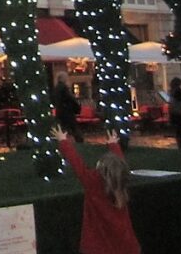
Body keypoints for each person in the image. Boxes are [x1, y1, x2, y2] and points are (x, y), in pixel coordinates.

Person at [52, 125, 141, 253]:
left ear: (101, 169)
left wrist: (63, 141)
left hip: (97, 246)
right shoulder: (120, 182)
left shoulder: (93, 182)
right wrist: (114, 145)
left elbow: (77, 163)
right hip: (125, 246)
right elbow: (117, 165)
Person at [53, 72, 84, 142]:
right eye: (66, 77)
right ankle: (80, 142)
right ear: (63, 78)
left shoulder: (56, 88)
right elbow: (70, 98)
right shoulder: (64, 87)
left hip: (60, 111)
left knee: (62, 128)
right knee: (74, 128)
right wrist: (77, 106)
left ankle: (60, 141)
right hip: (67, 111)